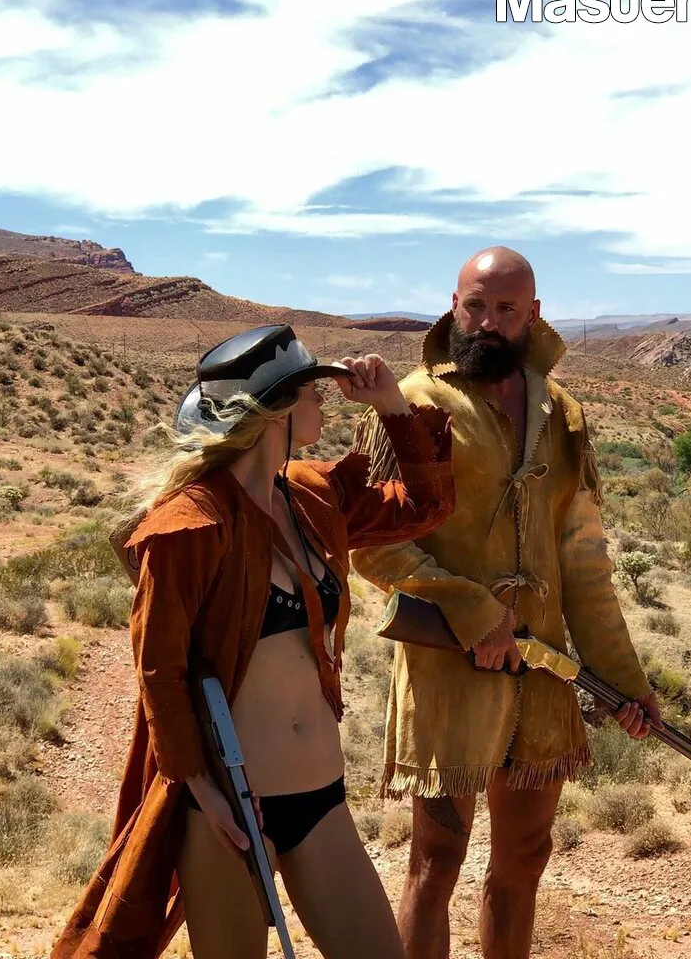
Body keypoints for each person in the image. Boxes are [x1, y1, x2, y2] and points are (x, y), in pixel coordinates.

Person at [51, 323, 455, 959]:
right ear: (276, 409)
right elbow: (159, 670)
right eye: (310, 387)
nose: (323, 396)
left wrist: (393, 409)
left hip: (322, 799)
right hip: (232, 809)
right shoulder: (190, 524)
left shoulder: (312, 496)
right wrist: (203, 791)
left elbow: (424, 506)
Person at [350, 247, 661, 959]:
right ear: (453, 305)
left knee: (523, 860)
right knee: (435, 863)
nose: (487, 323)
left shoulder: (561, 412)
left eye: (505, 310)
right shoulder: (414, 404)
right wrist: (472, 609)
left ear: (533, 314)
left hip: (543, 674)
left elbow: (583, 562)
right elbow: (373, 545)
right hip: (448, 666)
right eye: (475, 306)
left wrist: (624, 680)